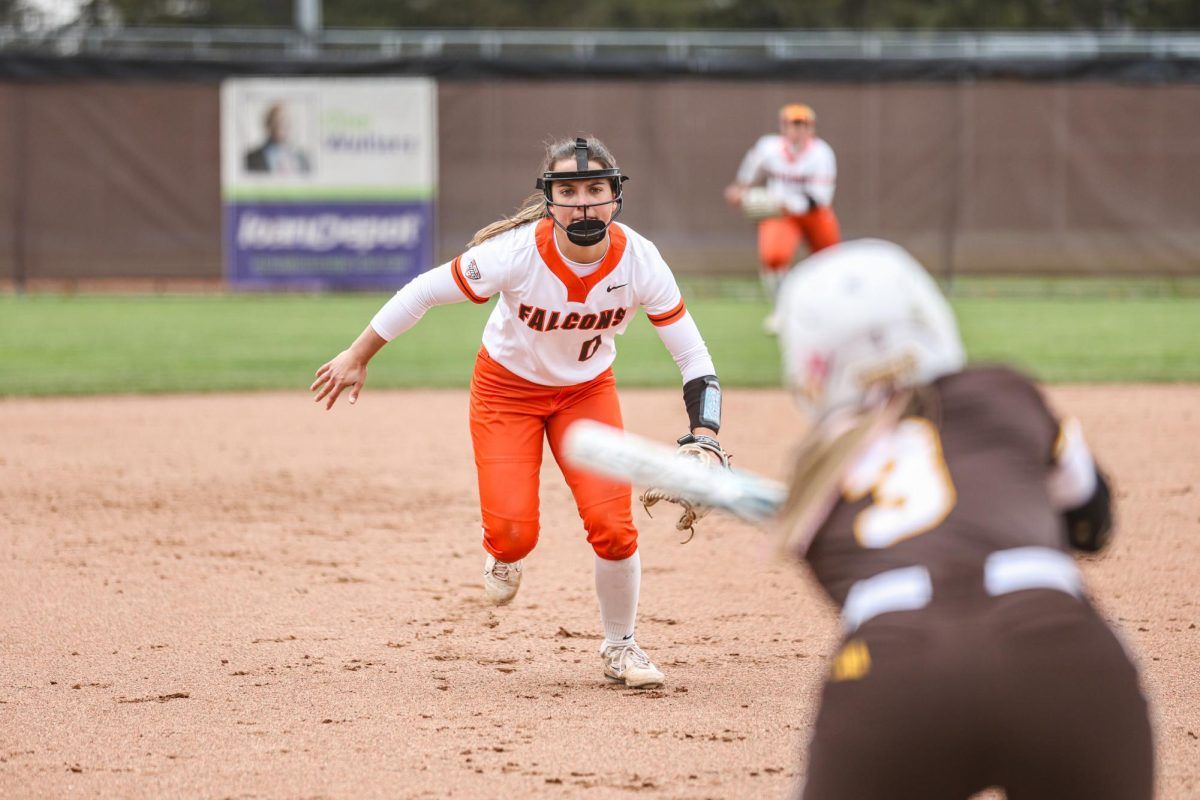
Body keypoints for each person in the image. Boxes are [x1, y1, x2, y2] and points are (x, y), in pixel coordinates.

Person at [310, 136, 725, 690]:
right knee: (512, 534)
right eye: (568, 191)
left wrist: (706, 431)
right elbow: (423, 291)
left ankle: (621, 646)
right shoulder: (514, 253)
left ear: (616, 195)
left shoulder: (640, 260)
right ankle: (502, 554)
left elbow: (693, 356)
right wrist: (358, 354)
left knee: (613, 528)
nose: (583, 204)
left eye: (595, 189)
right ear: (549, 199)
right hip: (506, 391)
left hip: (585, 394)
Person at [769, 240, 1153, 799]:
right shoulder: (1002, 391)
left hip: (895, 675)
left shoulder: (813, 472)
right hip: (1063, 650)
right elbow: (1093, 523)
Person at [724, 103, 840, 334]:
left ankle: (831, 309)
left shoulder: (822, 154)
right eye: (792, 124)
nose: (797, 130)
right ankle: (782, 310)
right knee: (773, 257)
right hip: (781, 213)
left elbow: (820, 198)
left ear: (811, 128)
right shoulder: (769, 147)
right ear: (783, 127)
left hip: (814, 211)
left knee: (831, 260)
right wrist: (740, 187)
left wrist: (790, 204)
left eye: (802, 125)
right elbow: (752, 166)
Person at [244, 101, 312, 175]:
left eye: (285, 120)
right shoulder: (252, 158)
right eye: (276, 121)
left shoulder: (302, 159)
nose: (281, 124)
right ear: (268, 124)